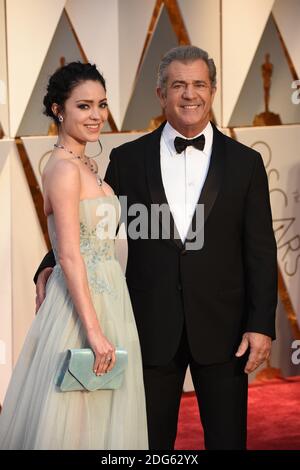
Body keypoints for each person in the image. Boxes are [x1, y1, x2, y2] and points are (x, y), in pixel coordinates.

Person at [34, 46, 277, 450]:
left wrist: (262, 324)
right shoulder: (128, 159)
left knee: (228, 439)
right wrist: (48, 265)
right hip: (147, 325)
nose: (189, 94)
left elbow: (260, 250)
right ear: (161, 93)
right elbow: (95, 220)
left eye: (199, 84)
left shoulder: (245, 163)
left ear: (213, 91)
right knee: (147, 444)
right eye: (178, 85)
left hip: (224, 328)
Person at [0, 62, 148, 450]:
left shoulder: (88, 165)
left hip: (111, 298)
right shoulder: (63, 169)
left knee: (102, 413)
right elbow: (68, 255)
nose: (97, 115)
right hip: (80, 308)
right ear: (57, 109)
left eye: (101, 104)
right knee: (76, 417)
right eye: (84, 106)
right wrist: (95, 331)